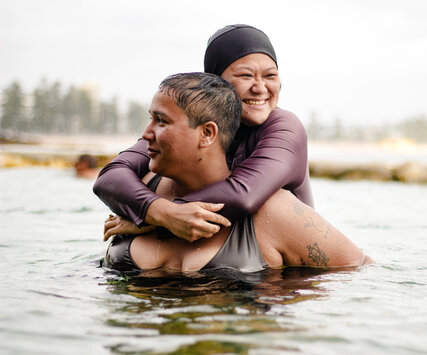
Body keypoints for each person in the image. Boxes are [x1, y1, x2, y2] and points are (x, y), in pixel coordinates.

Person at [103, 73, 372, 273]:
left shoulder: (273, 212)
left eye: (161, 121)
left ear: (207, 134)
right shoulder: (137, 192)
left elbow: (360, 270)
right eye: (150, 118)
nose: (145, 133)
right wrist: (156, 213)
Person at [93, 25, 313, 242]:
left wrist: (151, 220)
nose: (260, 87)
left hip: (290, 269)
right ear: (217, 83)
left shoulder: (284, 127)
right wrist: (157, 211)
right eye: (246, 76)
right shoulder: (194, 125)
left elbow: (243, 195)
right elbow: (111, 176)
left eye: (270, 76)